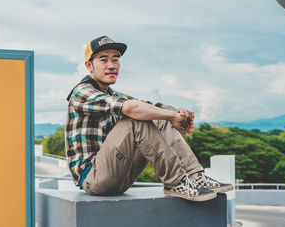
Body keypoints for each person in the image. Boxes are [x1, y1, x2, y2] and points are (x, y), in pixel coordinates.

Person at [65, 36, 233, 201]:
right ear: (89, 65)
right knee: (135, 118)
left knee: (157, 113)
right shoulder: (81, 92)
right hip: (93, 178)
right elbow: (133, 109)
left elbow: (149, 108)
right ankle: (176, 182)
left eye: (115, 60)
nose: (111, 65)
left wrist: (177, 114)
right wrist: (172, 116)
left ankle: (195, 177)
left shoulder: (114, 95)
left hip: (121, 176)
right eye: (103, 60)